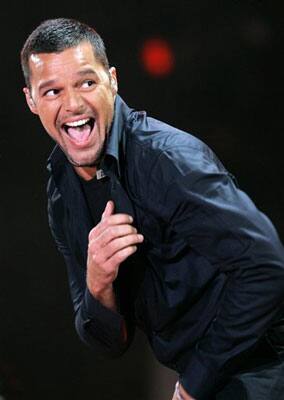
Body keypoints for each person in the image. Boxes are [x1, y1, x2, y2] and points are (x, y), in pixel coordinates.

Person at [20, 18, 284, 400]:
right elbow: (109, 343)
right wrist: (98, 283)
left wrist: (195, 383)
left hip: (262, 364)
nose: (73, 103)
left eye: (87, 83)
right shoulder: (62, 191)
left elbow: (266, 268)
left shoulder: (167, 161)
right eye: (52, 91)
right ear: (31, 100)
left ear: (112, 80)